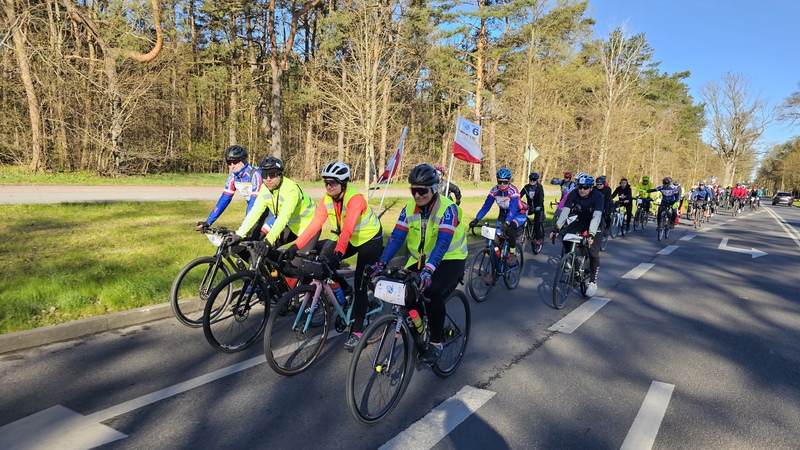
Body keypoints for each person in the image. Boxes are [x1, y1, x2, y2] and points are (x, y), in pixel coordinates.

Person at [369, 164, 467, 363]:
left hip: (451, 257)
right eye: (413, 190)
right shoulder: (408, 208)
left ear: (433, 189)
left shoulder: (448, 208)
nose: (417, 195)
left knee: (431, 292)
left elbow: (443, 243)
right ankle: (420, 329)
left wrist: (429, 271)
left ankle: (435, 342)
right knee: (407, 293)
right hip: (420, 258)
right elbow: (397, 237)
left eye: (422, 190)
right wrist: (380, 263)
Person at [290, 162, 383, 351]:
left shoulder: (355, 199)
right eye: (326, 182)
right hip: (345, 238)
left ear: (343, 183)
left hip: (369, 240)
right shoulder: (327, 199)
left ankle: (357, 332)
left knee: (361, 284)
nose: (328, 186)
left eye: (332, 182)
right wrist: (295, 246)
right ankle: (343, 291)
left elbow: (348, 228)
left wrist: (339, 254)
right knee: (322, 262)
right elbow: (316, 224)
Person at [224, 157, 317, 260]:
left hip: (309, 227)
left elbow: (283, 217)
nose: (268, 179)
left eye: (272, 174)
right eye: (264, 175)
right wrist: (239, 234)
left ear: (280, 174)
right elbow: (255, 212)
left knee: (298, 266)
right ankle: (273, 275)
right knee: (266, 252)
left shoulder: (291, 189)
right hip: (290, 226)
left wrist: (268, 241)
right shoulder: (265, 189)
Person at [549, 174, 604, 297]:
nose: (582, 190)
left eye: (585, 187)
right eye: (580, 187)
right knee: (565, 235)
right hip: (581, 221)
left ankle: (592, 282)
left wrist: (591, 234)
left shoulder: (598, 196)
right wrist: (557, 227)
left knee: (593, 252)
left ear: (591, 188)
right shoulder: (573, 193)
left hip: (596, 224)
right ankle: (571, 260)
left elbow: (596, 217)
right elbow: (565, 211)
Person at [196, 145, 266, 238]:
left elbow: (254, 202)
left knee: (256, 244)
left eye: (235, 162)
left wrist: (246, 224)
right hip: (255, 213)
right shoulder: (233, 177)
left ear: (243, 161)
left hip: (269, 213)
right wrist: (208, 222)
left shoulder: (255, 174)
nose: (232, 166)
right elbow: (224, 199)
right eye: (229, 163)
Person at [468, 168, 527, 266]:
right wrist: (477, 218)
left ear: (509, 181)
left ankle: (512, 253)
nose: (502, 184)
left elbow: (512, 209)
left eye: (505, 182)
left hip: (518, 214)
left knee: (509, 229)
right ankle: (495, 270)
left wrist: (507, 222)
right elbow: (486, 206)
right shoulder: (494, 191)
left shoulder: (513, 191)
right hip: (503, 215)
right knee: (496, 241)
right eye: (499, 182)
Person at [520, 171, 545, 245]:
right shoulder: (526, 187)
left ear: (537, 180)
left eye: (534, 180)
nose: (532, 181)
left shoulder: (539, 187)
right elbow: (519, 196)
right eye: (531, 179)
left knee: (537, 224)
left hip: (538, 208)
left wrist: (539, 206)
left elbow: (541, 198)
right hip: (530, 207)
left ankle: (538, 239)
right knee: (521, 217)